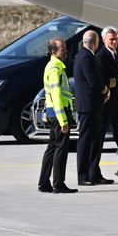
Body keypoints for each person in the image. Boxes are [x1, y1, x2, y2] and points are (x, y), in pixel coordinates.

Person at [38, 38, 77, 194]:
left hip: (52, 112)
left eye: (65, 48)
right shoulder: (55, 69)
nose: (65, 51)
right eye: (62, 49)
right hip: (58, 113)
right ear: (54, 52)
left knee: (52, 148)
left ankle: (44, 182)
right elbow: (56, 96)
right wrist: (63, 121)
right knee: (61, 149)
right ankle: (58, 183)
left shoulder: (53, 66)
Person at [73, 30, 110, 186]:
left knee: (93, 140)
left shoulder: (86, 55)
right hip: (88, 105)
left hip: (92, 104)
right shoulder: (86, 57)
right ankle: (83, 176)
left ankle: (93, 173)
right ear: (95, 43)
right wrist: (106, 91)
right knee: (85, 140)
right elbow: (94, 81)